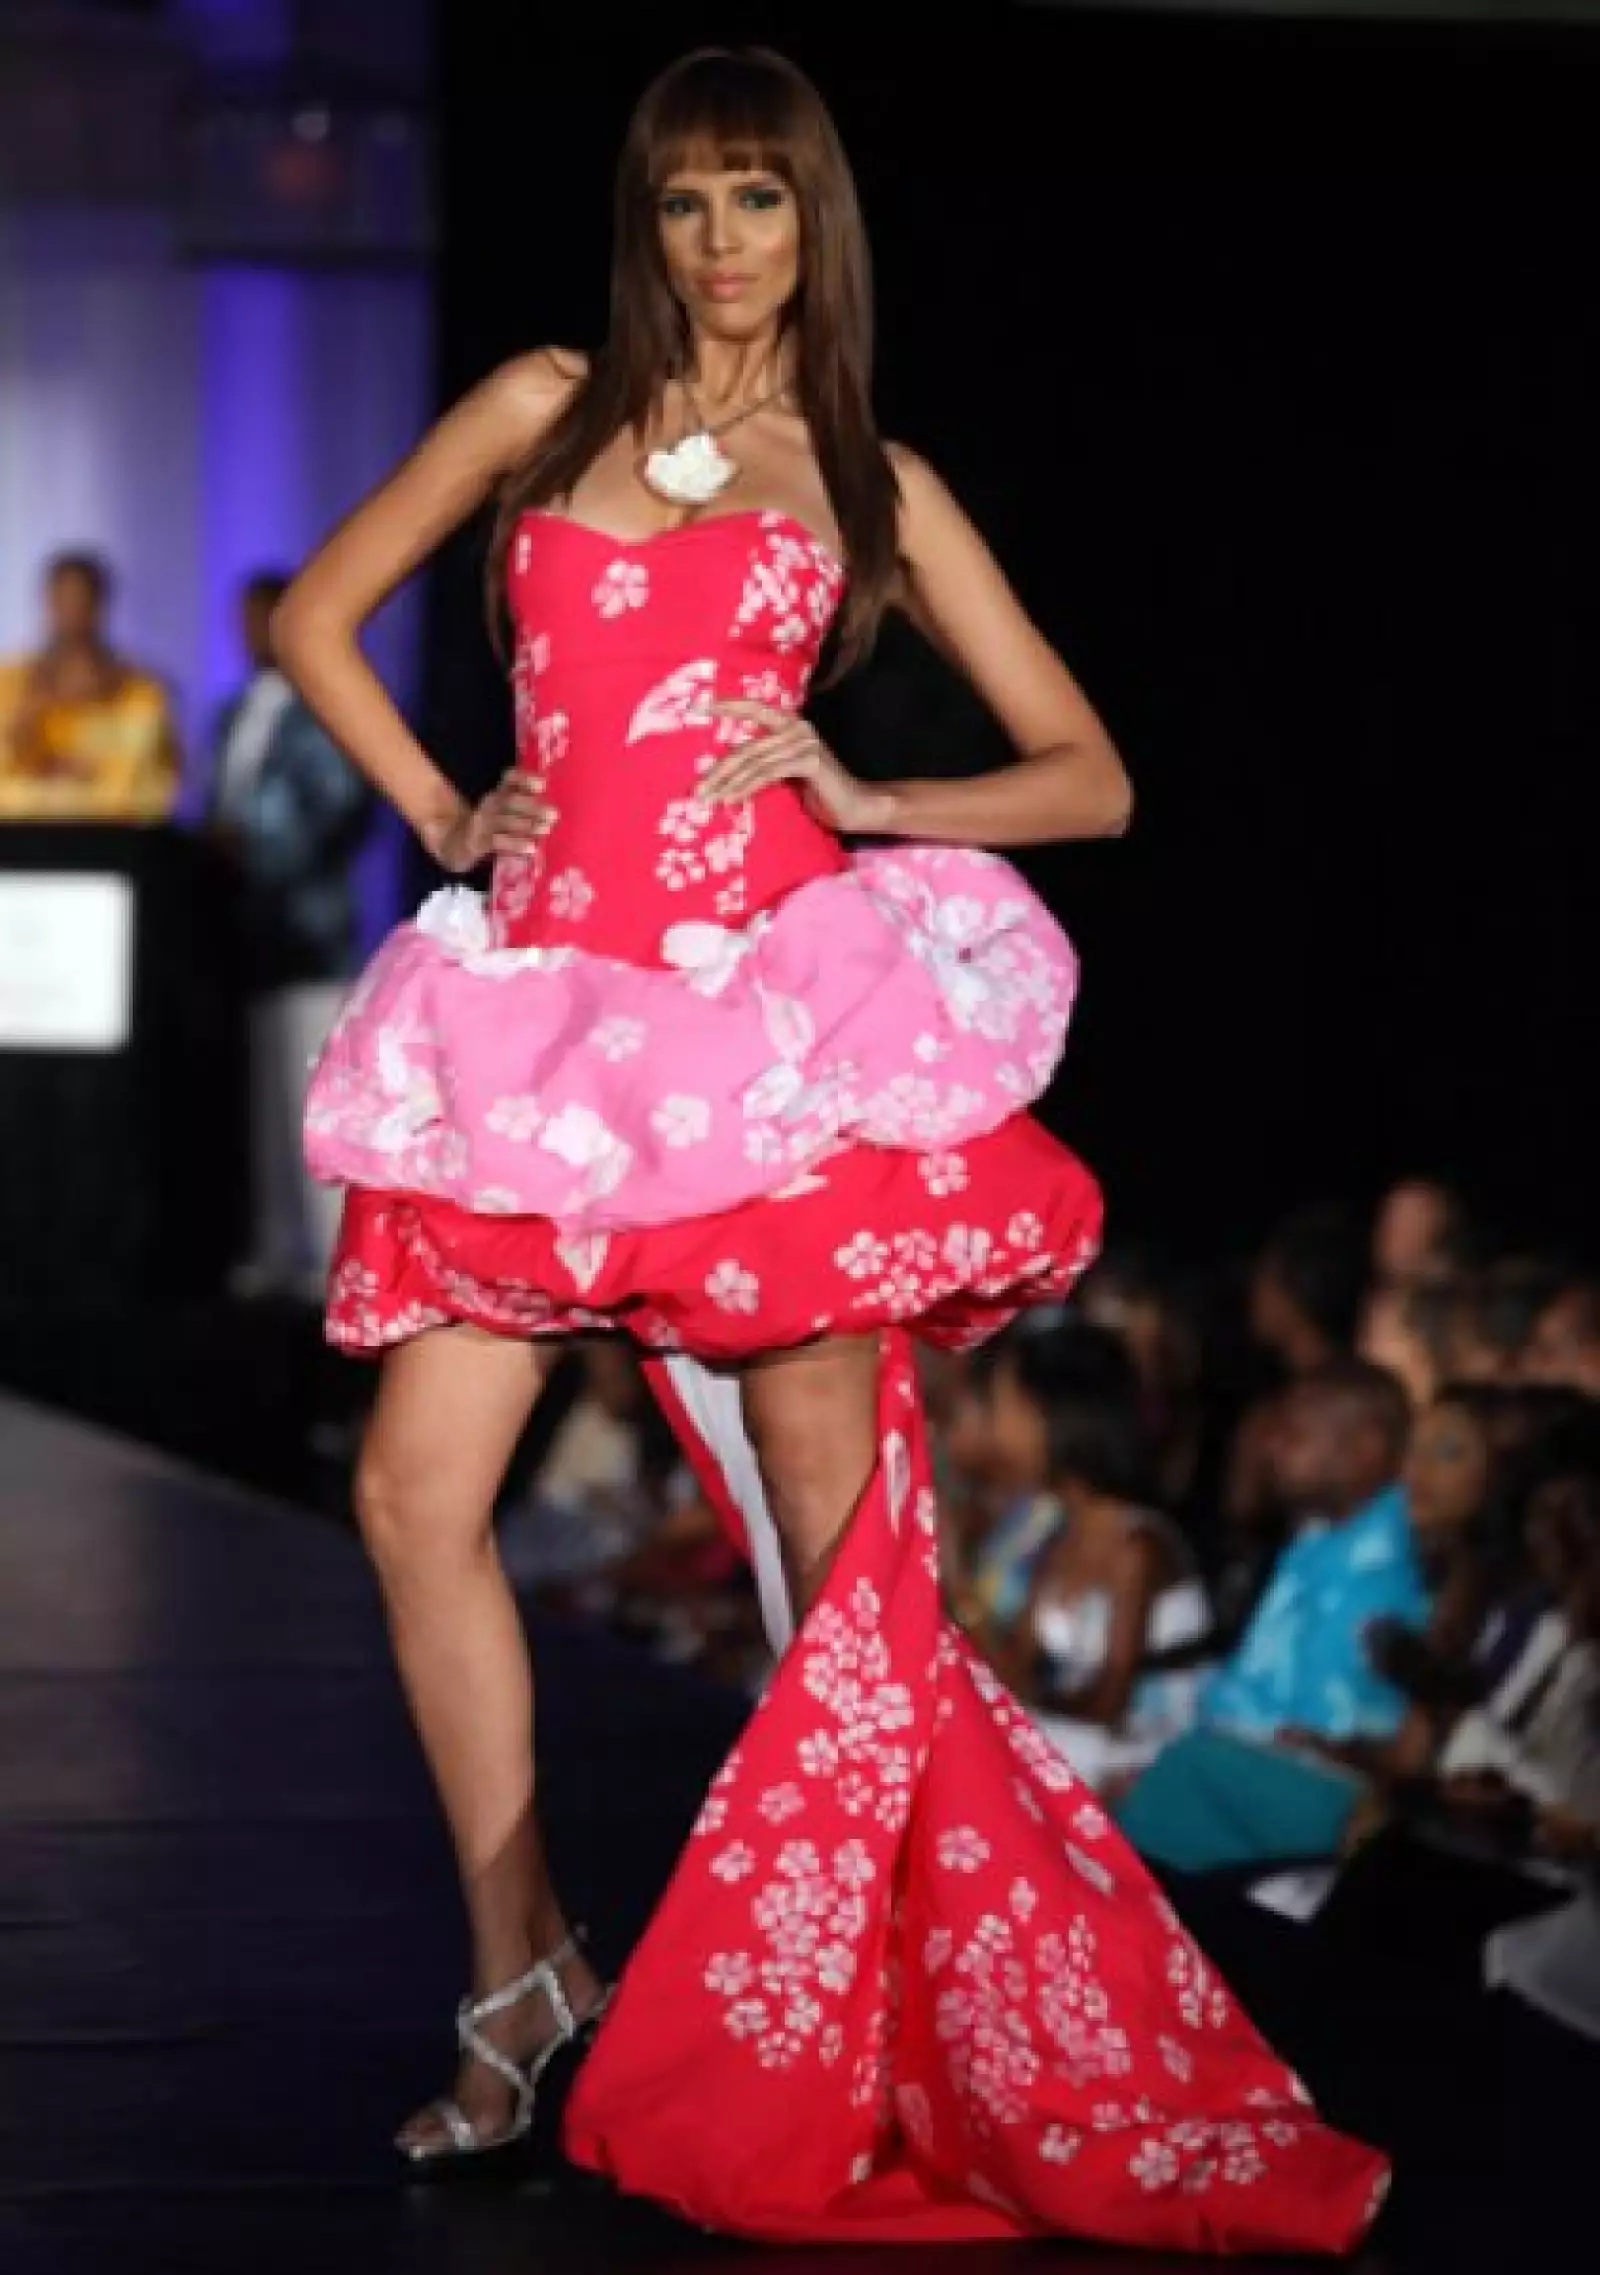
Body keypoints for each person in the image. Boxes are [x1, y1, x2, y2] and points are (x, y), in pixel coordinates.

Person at [273, 45, 1382, 2251]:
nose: (720, 243)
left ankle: (859, 2029)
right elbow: (310, 618)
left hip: (775, 1045)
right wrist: (435, 812)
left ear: (813, 225)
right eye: (686, 201)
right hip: (553, 1033)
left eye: (758, 203)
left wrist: (877, 800)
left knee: (832, 1575)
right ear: (645, 219)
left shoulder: (864, 473)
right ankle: (520, 1975)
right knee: (415, 1493)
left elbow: (1091, 774)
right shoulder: (540, 407)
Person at [209, 570, 372, 1295]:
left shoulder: (327, 705)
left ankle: (335, 1261)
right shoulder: (234, 710)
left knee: (317, 1099)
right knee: (261, 1103)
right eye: (244, 619)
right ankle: (276, 1249)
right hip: (245, 933)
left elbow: (341, 806)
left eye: (266, 618)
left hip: (310, 932)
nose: (252, 634)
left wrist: (257, 849)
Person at [0, 551, 181, 819]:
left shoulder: (142, 693)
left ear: (101, 606)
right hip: (20, 847)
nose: (72, 615)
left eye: (82, 602)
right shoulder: (11, 685)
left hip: (112, 847)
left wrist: (87, 778)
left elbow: (150, 790)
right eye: (62, 602)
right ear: (47, 604)